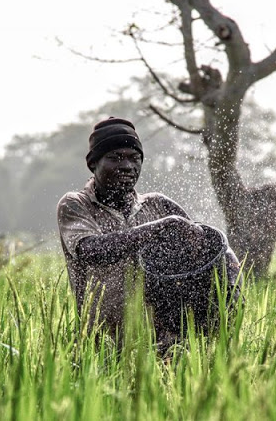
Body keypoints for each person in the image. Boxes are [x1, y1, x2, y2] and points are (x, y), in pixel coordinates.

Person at [57, 116, 240, 350]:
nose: (127, 166)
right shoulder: (76, 205)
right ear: (93, 164)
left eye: (134, 158)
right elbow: (91, 251)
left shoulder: (159, 206)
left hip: (164, 344)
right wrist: (161, 227)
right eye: (115, 158)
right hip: (104, 346)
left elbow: (201, 256)